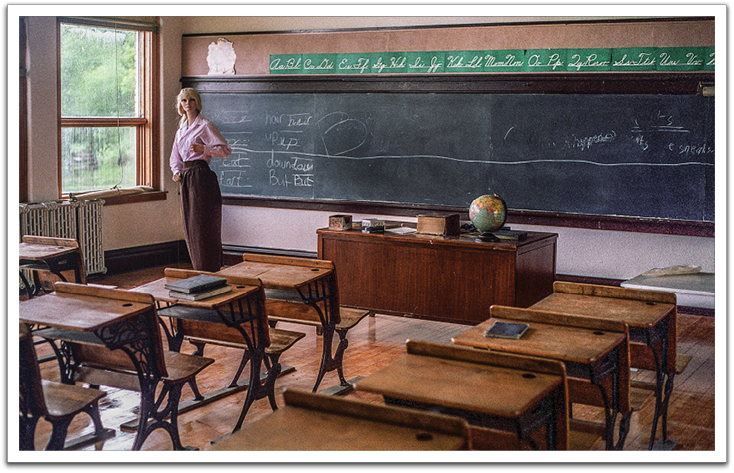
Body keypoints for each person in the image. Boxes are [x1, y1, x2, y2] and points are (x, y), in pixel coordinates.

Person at [170, 88, 231, 272]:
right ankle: (199, 268)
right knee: (190, 225)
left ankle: (210, 268)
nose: (187, 104)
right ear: (180, 105)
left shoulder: (205, 125)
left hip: (201, 177)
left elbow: (225, 150)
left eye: (191, 100)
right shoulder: (181, 130)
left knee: (202, 225)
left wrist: (204, 149)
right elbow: (175, 157)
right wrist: (176, 171)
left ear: (197, 102)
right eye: (184, 101)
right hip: (186, 179)